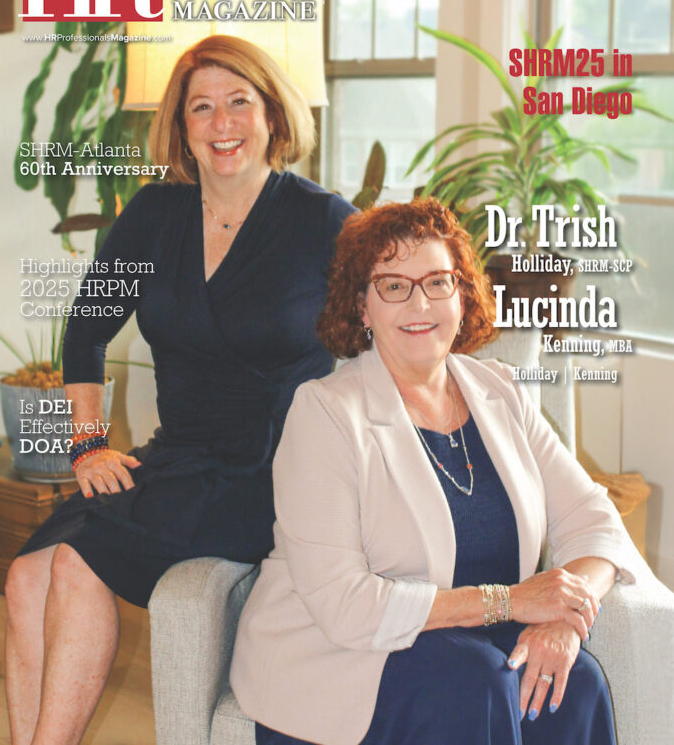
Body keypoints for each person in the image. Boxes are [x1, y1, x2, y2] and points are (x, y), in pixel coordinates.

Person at [4, 35, 354, 745]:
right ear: (181, 126)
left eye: (238, 102)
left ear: (272, 116)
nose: (222, 124)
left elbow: (386, 337)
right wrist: (88, 443)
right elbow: (86, 330)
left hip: (272, 473)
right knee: (25, 575)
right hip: (180, 457)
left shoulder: (323, 221)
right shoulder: (155, 214)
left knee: (74, 565)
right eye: (202, 108)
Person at [230, 198, 636, 745]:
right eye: (394, 285)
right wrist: (511, 602)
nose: (420, 302)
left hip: (472, 653)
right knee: (476, 683)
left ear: (461, 296)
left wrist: (563, 619)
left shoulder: (499, 391)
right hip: (342, 661)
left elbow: (596, 523)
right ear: (362, 308)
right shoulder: (325, 413)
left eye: (438, 282)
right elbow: (344, 606)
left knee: (574, 681)